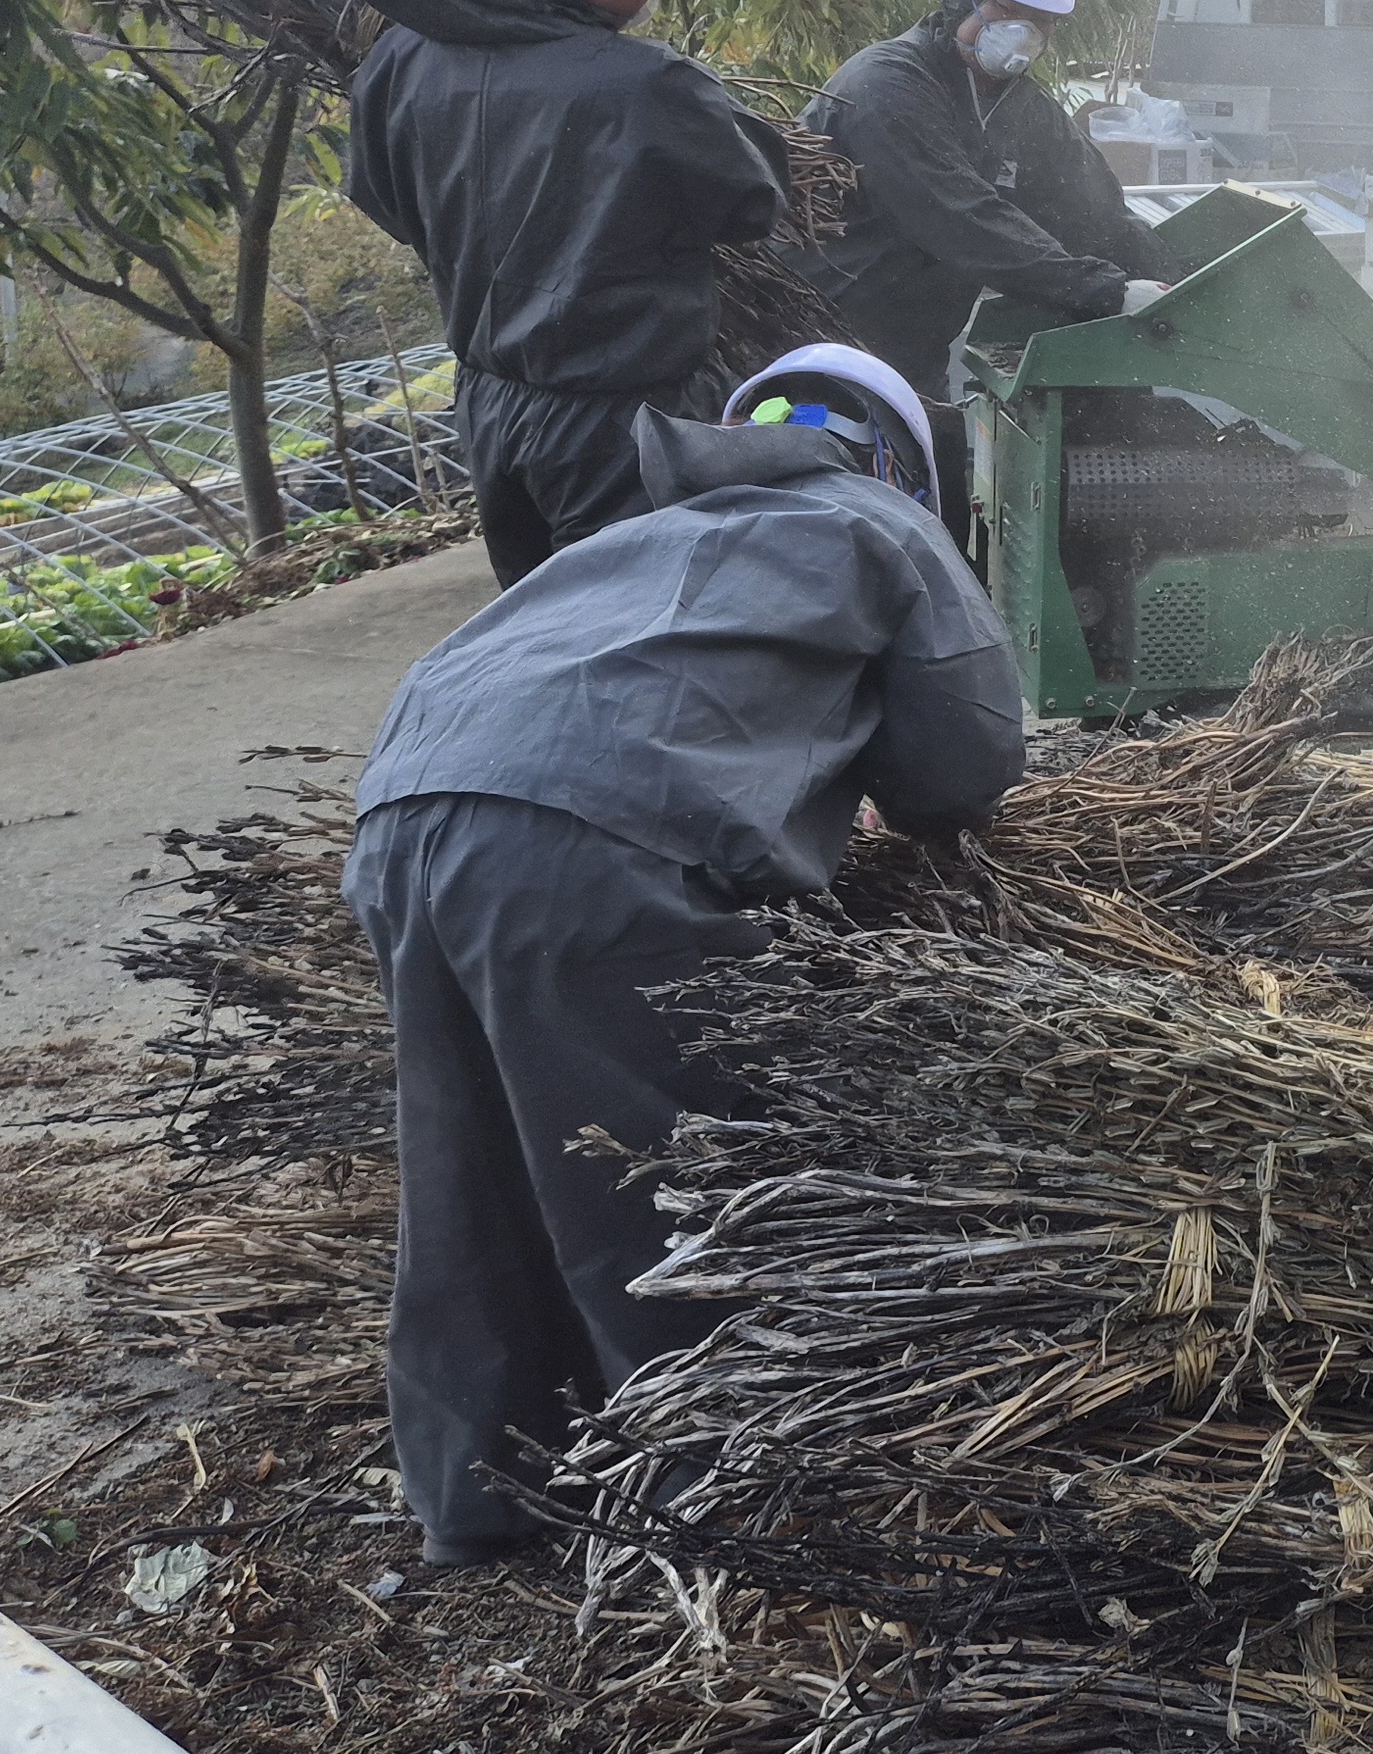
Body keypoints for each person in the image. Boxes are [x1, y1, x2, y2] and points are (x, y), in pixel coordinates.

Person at [343, 342, 1027, 1567]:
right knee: (654, 1186)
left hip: (403, 823)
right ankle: (705, 1509)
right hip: (590, 850)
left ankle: (477, 1503)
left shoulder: (637, 537)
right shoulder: (877, 518)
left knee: (467, 1178)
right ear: (902, 461)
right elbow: (960, 763)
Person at [347, 0, 787, 585]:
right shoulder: (649, 88)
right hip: (616, 433)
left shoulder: (403, 55)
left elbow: (384, 200)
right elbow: (756, 200)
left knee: (542, 626)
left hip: (489, 414)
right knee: (642, 632)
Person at [794, 0, 1172, 541]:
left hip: (913, 372)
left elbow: (1095, 215)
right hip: (821, 367)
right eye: (1005, 9)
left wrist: (1174, 282)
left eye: (1042, 19)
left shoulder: (1022, 113)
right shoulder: (886, 88)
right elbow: (962, 219)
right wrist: (1106, 290)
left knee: (938, 537)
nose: (1023, 31)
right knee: (842, 547)